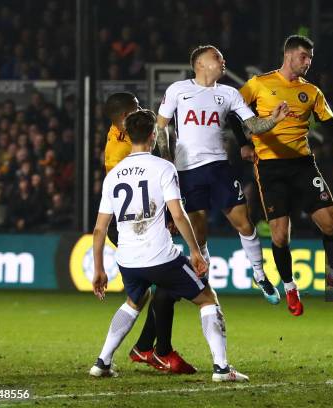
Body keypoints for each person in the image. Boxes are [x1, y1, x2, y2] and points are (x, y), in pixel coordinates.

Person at [90, 110, 248, 382]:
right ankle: (222, 369)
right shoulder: (163, 168)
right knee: (207, 298)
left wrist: (98, 270)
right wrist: (196, 251)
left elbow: (99, 229)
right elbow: (178, 214)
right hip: (160, 256)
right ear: (153, 136)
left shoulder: (113, 176)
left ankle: (102, 362)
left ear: (128, 137)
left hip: (128, 259)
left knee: (134, 301)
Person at [238, 35, 333, 315]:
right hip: (270, 167)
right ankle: (291, 288)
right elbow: (234, 113)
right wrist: (243, 144)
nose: (308, 62)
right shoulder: (259, 84)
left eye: (311, 58)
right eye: (304, 57)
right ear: (289, 55)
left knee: (331, 224)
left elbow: (331, 125)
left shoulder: (312, 92)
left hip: (303, 165)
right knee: (280, 235)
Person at [155, 44, 286, 305]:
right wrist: (167, 160)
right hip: (187, 171)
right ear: (200, 63)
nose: (223, 61)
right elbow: (161, 128)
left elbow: (253, 126)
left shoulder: (229, 93)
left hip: (218, 167)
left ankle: (260, 275)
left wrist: (274, 119)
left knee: (245, 222)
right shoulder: (178, 90)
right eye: (217, 57)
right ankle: (204, 282)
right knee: (199, 234)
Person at [103, 92, 194, 374]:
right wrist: (167, 215)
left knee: (145, 294)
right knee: (169, 285)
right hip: (135, 225)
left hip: (129, 224)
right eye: (136, 109)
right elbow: (143, 188)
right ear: (123, 119)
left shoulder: (118, 135)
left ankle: (132, 351)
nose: (141, 111)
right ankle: (158, 350)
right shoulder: (121, 153)